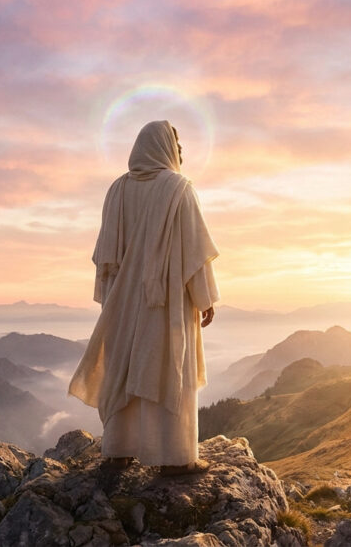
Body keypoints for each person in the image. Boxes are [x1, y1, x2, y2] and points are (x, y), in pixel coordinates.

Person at [68, 120, 219, 475]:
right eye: (178, 146)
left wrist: (112, 299)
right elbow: (194, 252)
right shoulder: (179, 189)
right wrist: (205, 298)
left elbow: (106, 254)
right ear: (164, 147)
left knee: (123, 368)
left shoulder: (116, 191)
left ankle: (118, 449)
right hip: (165, 300)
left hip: (122, 301)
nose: (181, 154)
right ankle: (175, 457)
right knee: (167, 369)